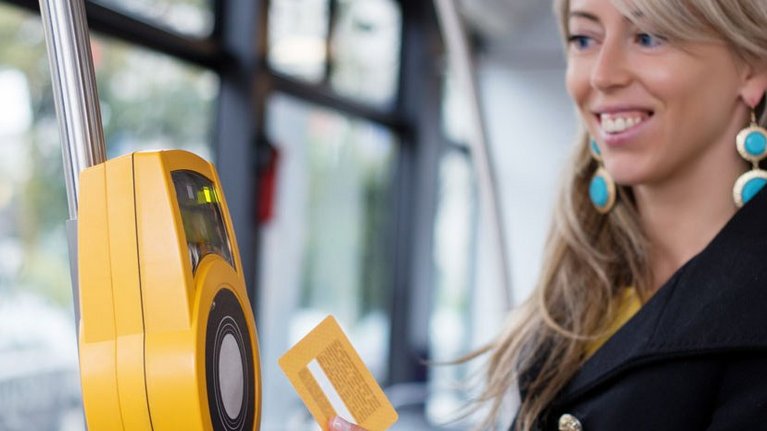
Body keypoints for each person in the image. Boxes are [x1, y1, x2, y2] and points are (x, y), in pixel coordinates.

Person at [330, 0, 767, 429]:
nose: (602, 74)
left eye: (649, 37)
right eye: (584, 38)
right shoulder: (584, 287)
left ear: (751, 67)